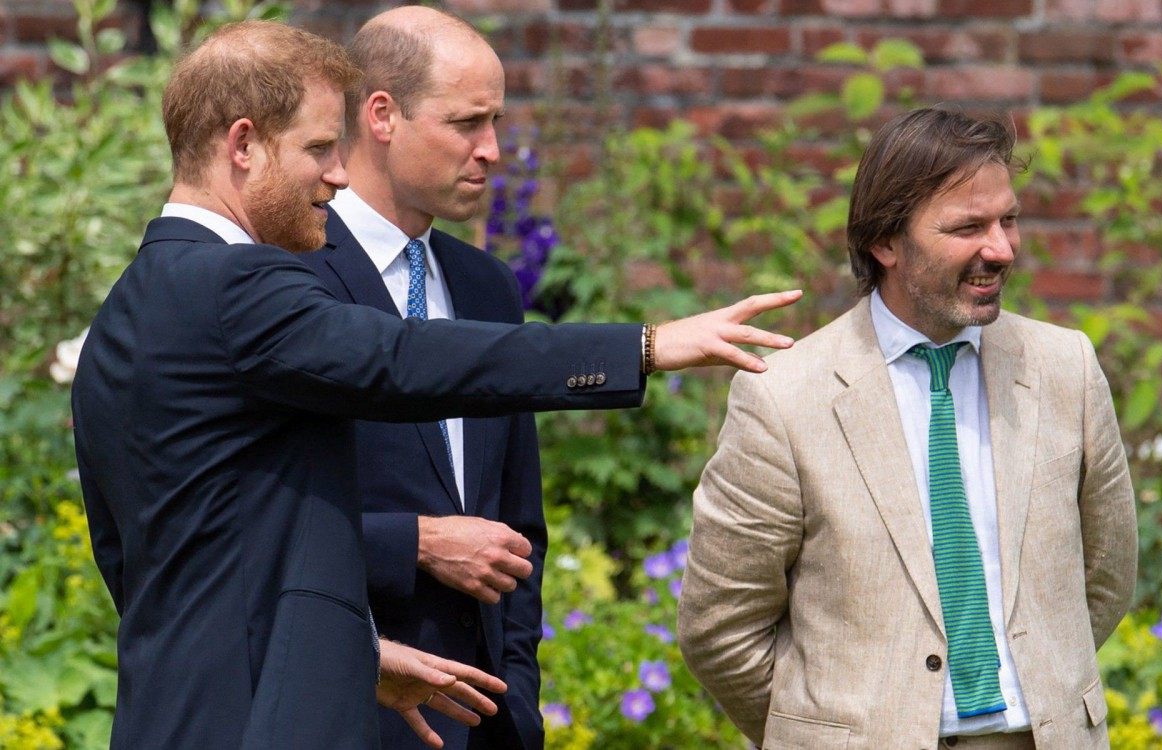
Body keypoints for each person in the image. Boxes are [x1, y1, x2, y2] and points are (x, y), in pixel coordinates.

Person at [71, 19, 801, 750]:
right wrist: (644, 347)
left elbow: (172, 560)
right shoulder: (237, 283)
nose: (336, 171)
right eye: (320, 149)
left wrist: (352, 651)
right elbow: (397, 357)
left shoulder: (128, 308)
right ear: (242, 145)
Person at [677, 108, 1137, 750]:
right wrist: (830, 732)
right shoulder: (784, 399)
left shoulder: (1067, 369)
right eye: (968, 227)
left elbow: (1106, 573)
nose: (1000, 249)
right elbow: (720, 628)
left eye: (1008, 220)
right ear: (885, 243)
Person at [298, 8, 543, 749]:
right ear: (381, 115)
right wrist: (416, 542)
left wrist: (519, 706)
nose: (492, 150)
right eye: (467, 123)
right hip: (343, 712)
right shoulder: (293, 277)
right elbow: (259, 523)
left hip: (484, 720)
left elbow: (518, 522)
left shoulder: (487, 288)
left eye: (495, 122)